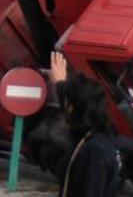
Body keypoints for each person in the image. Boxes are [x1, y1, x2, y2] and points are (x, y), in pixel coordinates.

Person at [49, 51, 123, 197]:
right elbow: (79, 103)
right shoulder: (102, 134)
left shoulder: (92, 151)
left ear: (71, 109)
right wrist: (60, 83)